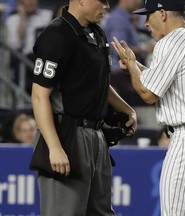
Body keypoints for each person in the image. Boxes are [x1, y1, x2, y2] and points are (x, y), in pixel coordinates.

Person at [112, 0, 185, 215]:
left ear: (163, 13)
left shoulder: (171, 42)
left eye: (149, 15)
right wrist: (135, 65)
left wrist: (131, 64)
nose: (145, 22)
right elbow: (167, 80)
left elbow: (148, 94)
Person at [31, 0, 137, 215]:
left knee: (101, 212)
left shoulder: (96, 33)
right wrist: (54, 147)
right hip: (66, 135)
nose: (107, 6)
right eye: (102, 1)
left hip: (96, 135)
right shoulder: (57, 34)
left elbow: (100, 83)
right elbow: (39, 95)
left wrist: (127, 110)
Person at [5, 0, 52, 93]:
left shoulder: (47, 15)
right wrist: (22, 18)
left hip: (45, 57)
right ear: (20, 3)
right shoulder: (13, 19)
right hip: (25, 59)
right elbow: (15, 45)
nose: (30, 3)